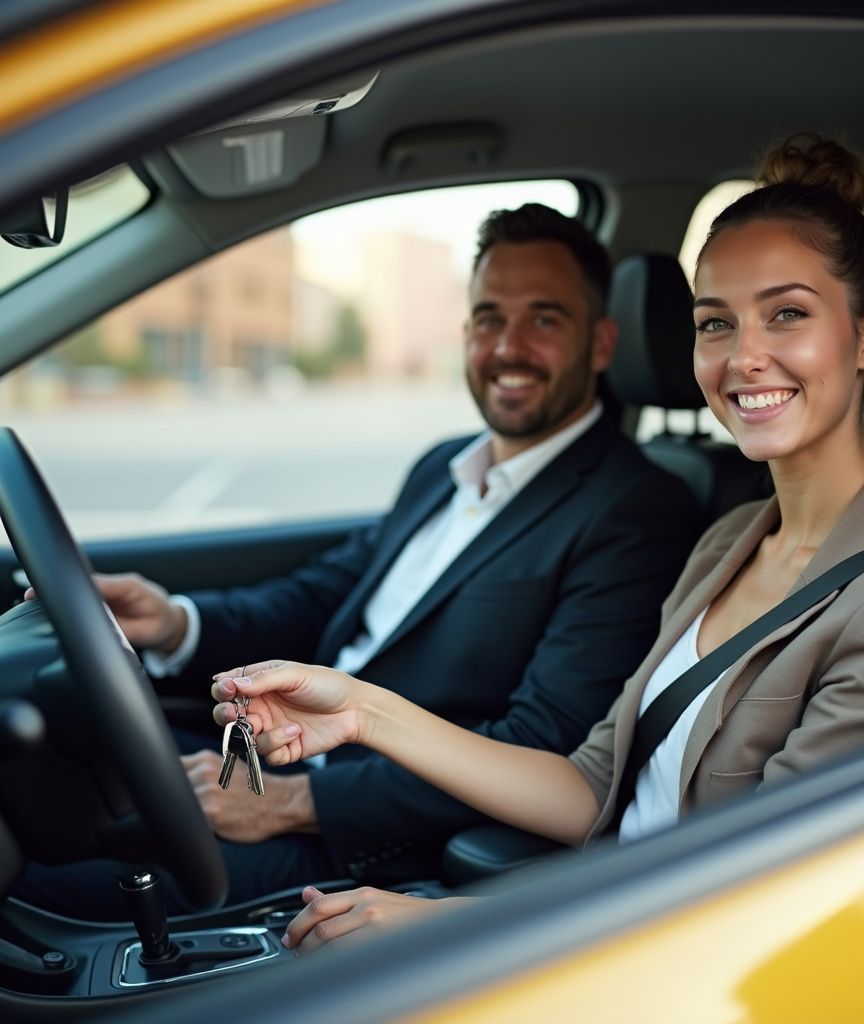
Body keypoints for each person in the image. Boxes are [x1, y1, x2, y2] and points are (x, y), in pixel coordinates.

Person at [208, 135, 864, 953]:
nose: (743, 357)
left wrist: (458, 930)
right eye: (715, 323)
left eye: (787, 314)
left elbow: (767, 900)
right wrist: (359, 712)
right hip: (598, 916)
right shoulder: (730, 541)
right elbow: (589, 790)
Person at [17, 204, 696, 918]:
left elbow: (541, 745)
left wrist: (295, 802)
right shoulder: (443, 468)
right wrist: (173, 623)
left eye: (544, 319)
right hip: (275, 753)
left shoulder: (635, 509)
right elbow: (320, 598)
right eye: (489, 318)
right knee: (53, 771)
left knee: (38, 889)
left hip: (364, 836)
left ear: (600, 343)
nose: (507, 347)